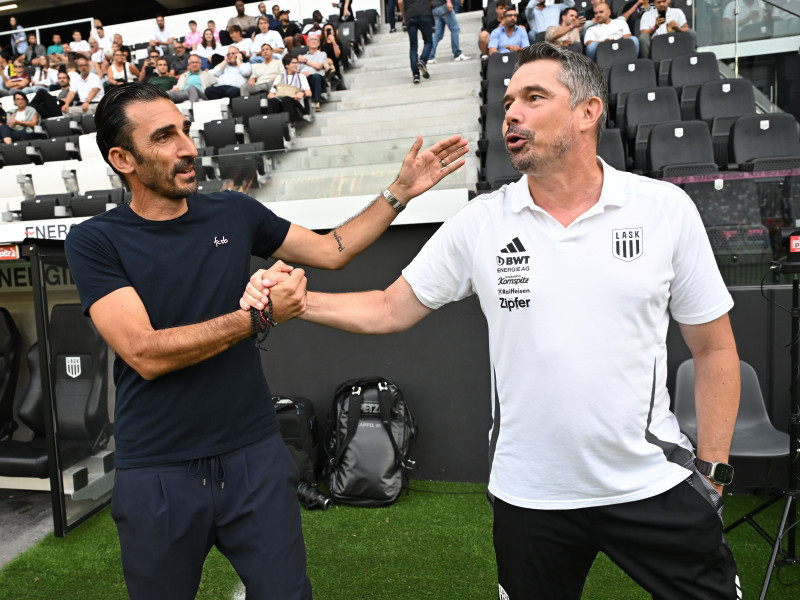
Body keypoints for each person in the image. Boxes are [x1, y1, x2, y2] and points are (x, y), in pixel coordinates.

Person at [246, 42, 742, 600]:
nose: (512, 113)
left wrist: (714, 471)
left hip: (653, 482)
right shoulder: (482, 220)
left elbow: (715, 350)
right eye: (508, 101)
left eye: (534, 97)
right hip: (530, 497)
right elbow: (389, 308)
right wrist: (301, 303)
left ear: (587, 112)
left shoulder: (663, 209)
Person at [63, 81, 466, 600]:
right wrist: (256, 318)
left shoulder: (233, 212)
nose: (187, 147)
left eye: (185, 130)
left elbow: (331, 250)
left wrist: (399, 192)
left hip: (253, 457)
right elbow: (143, 351)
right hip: (157, 469)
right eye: (164, 137)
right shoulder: (96, 240)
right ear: (123, 158)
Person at [267, 53, 310, 121]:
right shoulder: (280, 77)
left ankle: (290, 125)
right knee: (273, 101)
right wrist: (279, 97)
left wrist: (302, 94)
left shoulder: (301, 76)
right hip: (282, 103)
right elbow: (270, 95)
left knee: (286, 99)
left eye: (297, 63)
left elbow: (309, 93)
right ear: (286, 65)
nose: (296, 65)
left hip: (296, 105)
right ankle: (272, 125)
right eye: (293, 63)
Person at [399, 0, 434, 84]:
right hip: (424, 12)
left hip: (410, 14)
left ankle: (416, 75)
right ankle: (422, 61)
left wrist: (404, 16)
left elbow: (400, 2)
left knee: (413, 46)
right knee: (428, 42)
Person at [297, 34, 327, 111]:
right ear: (307, 43)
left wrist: (305, 61)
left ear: (319, 43)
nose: (313, 41)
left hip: (316, 77)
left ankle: (317, 101)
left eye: (315, 39)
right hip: (303, 77)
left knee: (316, 76)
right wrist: (301, 74)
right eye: (311, 39)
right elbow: (297, 70)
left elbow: (318, 66)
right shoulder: (303, 56)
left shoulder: (322, 54)